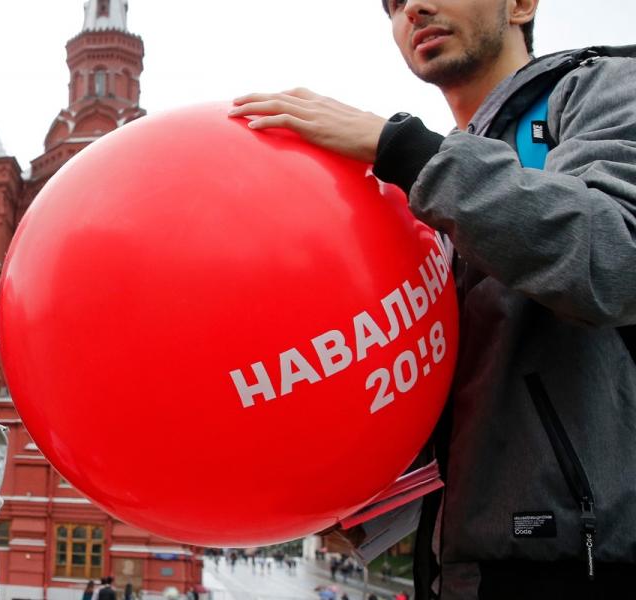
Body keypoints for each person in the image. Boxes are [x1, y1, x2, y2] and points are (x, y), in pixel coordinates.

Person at [230, 0, 636, 598]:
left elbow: (615, 257)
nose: (413, 8)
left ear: (521, 5)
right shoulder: (434, 185)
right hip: (459, 568)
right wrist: (359, 483)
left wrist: (403, 150)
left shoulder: (602, 89)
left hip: (585, 561)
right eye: (392, 3)